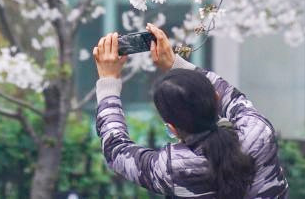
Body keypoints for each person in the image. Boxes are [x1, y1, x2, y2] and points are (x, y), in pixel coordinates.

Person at [93, 23, 289, 198]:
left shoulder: (173, 168)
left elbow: (116, 149)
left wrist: (108, 81)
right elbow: (233, 97)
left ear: (172, 129)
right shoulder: (258, 132)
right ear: (216, 99)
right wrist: (175, 64)